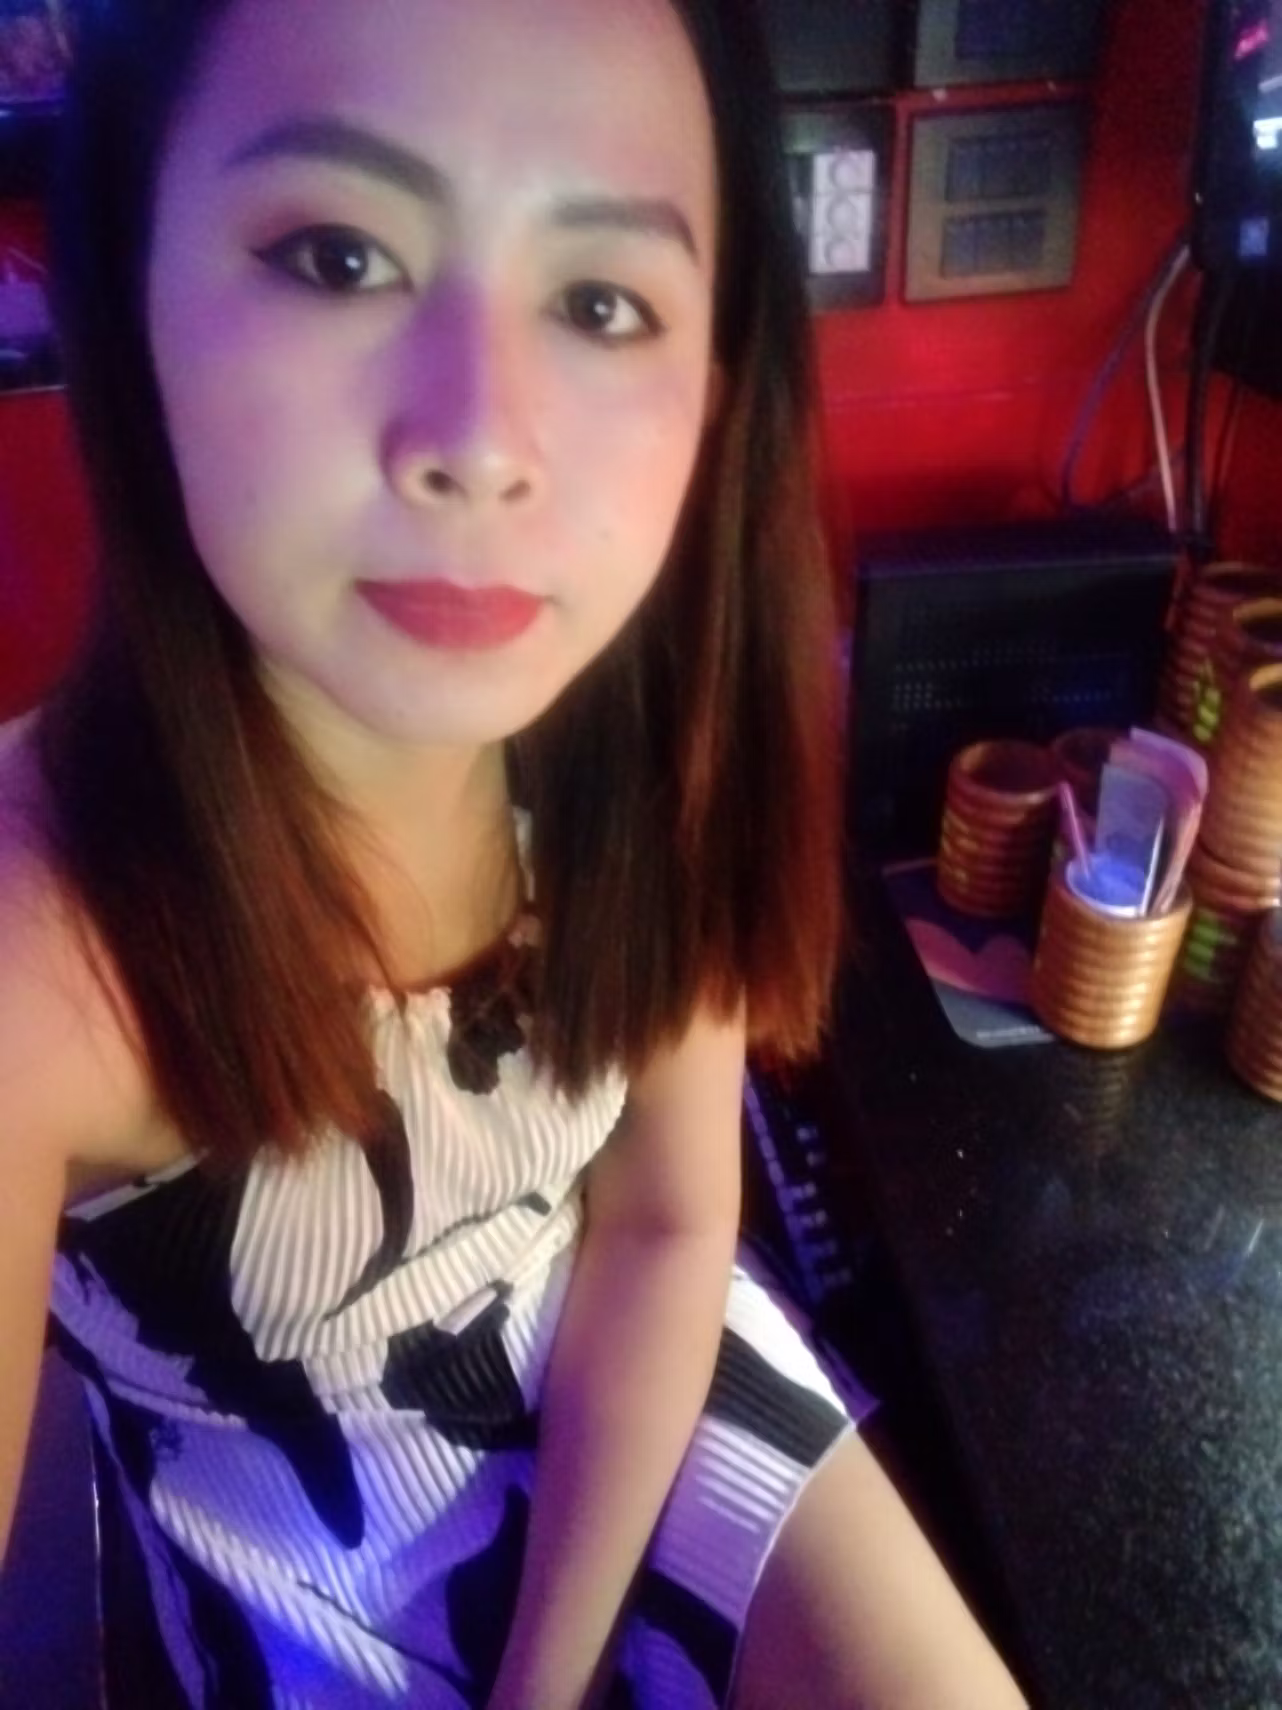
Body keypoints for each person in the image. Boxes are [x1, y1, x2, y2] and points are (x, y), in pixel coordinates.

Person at [0, 0, 1029, 1705]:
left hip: (642, 1367)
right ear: (129, 296)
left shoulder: (638, 757)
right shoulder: (36, 938)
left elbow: (661, 1228)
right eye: (338, 256)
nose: (479, 439)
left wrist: (546, 1679)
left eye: (600, 300)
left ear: (709, 394)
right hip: (290, 1543)